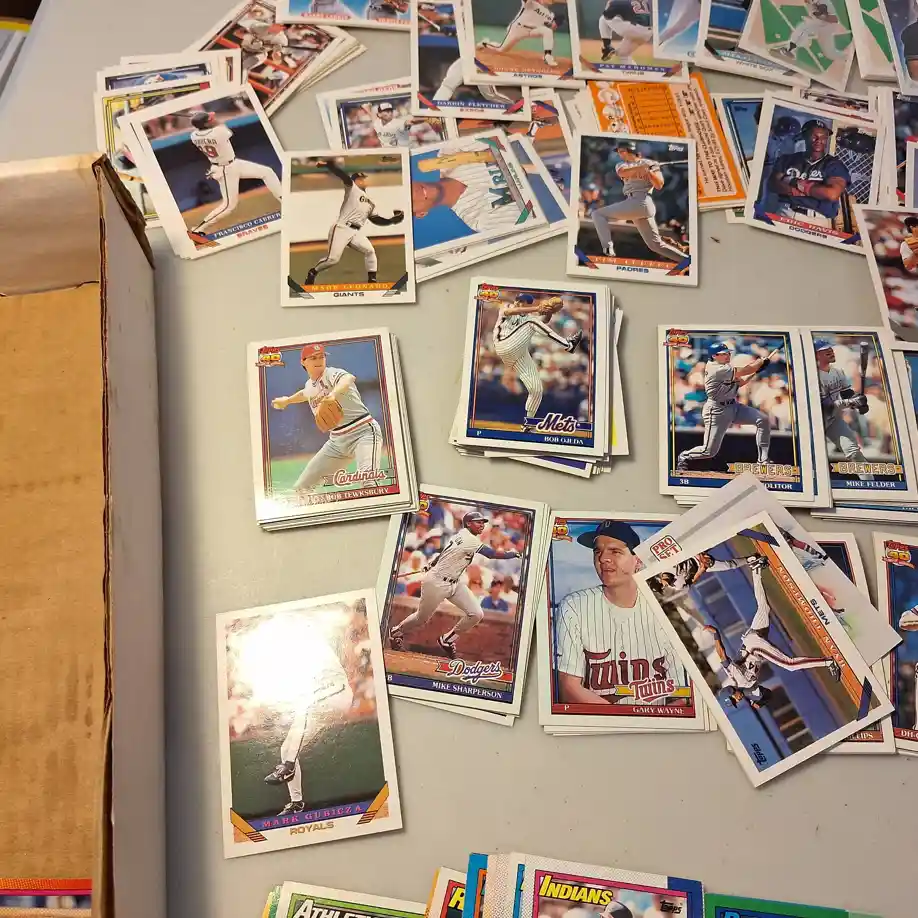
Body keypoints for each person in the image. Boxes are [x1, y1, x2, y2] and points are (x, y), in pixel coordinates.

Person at [555, 520, 687, 705]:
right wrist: (623, 719)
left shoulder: (666, 610)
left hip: (655, 723)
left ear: (637, 560)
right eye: (597, 551)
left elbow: (682, 695)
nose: (603, 558)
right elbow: (569, 689)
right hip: (596, 722)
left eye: (615, 551)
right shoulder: (574, 606)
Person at [706, 557, 842, 710]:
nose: (737, 701)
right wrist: (760, 702)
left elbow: (722, 656)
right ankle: (756, 569)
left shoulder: (736, 680)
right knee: (764, 608)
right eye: (735, 702)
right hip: (752, 643)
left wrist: (716, 634)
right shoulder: (747, 691)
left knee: (790, 665)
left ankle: (828, 662)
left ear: (731, 691)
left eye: (733, 700)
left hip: (753, 647)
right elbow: (767, 694)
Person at [388, 511, 521, 658]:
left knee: (476, 614)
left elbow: (445, 551)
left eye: (483, 522)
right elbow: (491, 554)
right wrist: (511, 553)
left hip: (455, 582)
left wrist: (433, 563)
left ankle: (447, 640)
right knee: (421, 618)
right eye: (478, 522)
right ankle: (396, 632)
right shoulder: (469, 539)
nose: (482, 525)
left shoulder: (460, 534)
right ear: (468, 524)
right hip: (437, 582)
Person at [271, 343, 383, 494]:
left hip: (363, 432)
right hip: (337, 443)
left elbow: (348, 378)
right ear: (303, 362)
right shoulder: (310, 385)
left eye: (321, 357)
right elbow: (304, 393)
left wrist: (333, 394)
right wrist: (287, 400)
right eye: (313, 358)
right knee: (301, 488)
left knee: (369, 481)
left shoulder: (331, 373)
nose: (319, 360)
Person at [676, 342, 778, 471]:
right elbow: (745, 370)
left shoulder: (725, 367)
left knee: (762, 420)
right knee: (709, 451)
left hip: (733, 407)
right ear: (714, 356)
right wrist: (760, 362)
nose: (728, 355)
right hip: (716, 411)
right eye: (724, 354)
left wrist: (757, 370)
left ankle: (763, 460)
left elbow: (741, 382)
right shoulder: (715, 368)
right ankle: (684, 456)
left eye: (728, 353)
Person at [302, 158, 404, 286]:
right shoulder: (352, 189)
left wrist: (391, 221)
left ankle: (372, 281)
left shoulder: (370, 202)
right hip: (342, 228)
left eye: (363, 179)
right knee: (332, 259)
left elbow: (375, 219)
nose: (363, 180)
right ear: (355, 181)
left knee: (370, 251)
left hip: (355, 232)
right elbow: (343, 176)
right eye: (360, 179)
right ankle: (313, 272)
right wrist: (330, 166)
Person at [491, 292, 583, 432]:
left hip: (518, 353)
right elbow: (511, 311)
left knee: (536, 389)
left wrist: (549, 311)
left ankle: (528, 424)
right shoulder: (507, 306)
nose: (520, 303)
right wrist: (537, 308)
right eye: (519, 300)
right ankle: (568, 344)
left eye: (524, 302)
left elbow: (543, 321)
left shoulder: (528, 317)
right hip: (504, 344)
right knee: (531, 322)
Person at [590, 140, 688, 263]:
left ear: (629, 151)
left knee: (597, 214)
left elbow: (659, 185)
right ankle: (687, 261)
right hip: (633, 202)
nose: (620, 154)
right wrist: (641, 168)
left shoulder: (650, 164)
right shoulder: (622, 164)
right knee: (656, 245)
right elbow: (623, 172)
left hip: (642, 201)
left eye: (621, 151)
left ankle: (608, 249)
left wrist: (649, 172)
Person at [187, 109, 282, 237]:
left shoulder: (194, 136)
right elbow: (218, 123)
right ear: (206, 124)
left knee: (267, 172)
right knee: (229, 206)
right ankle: (198, 230)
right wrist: (203, 118)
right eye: (209, 120)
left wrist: (200, 119)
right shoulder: (219, 132)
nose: (212, 119)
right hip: (225, 169)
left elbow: (204, 126)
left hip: (233, 164)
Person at [768, 119, 849, 228]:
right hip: (786, 212)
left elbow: (831, 194)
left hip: (817, 220)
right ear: (804, 136)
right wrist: (814, 190)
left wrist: (792, 181)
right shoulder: (788, 159)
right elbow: (773, 184)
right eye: (814, 136)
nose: (819, 140)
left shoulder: (834, 165)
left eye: (823, 137)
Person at [813, 339, 874, 481]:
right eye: (825, 350)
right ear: (816, 355)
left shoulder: (838, 372)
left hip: (832, 420)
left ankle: (870, 485)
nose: (831, 352)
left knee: (854, 452)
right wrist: (850, 402)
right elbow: (825, 404)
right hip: (813, 422)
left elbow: (847, 393)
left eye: (831, 349)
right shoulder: (812, 375)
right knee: (813, 459)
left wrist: (858, 402)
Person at [477, 0, 560, 68]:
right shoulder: (530, 3)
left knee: (547, 31)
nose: (551, 1)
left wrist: (554, 23)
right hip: (518, 29)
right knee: (501, 49)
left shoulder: (550, 14)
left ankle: (547, 56)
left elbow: (552, 25)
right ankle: (485, 43)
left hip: (532, 31)